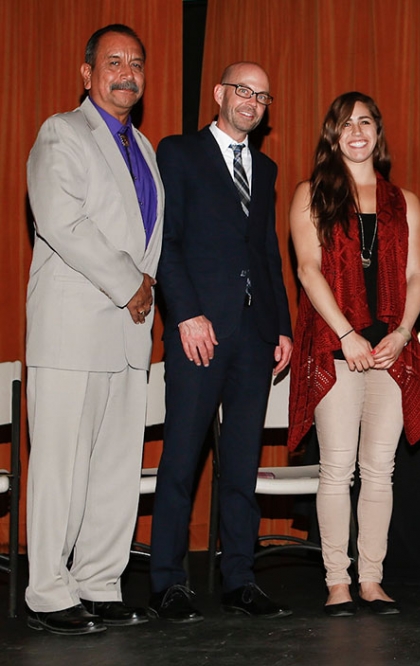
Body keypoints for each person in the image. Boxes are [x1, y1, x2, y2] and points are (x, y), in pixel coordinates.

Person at [24, 24, 163, 635]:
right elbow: (63, 221)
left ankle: (100, 581)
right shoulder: (62, 133)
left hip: (130, 335)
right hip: (73, 329)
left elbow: (148, 239)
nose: (126, 72)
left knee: (114, 466)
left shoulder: (148, 149)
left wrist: (145, 291)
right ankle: (49, 591)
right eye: (113, 61)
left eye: (135, 61)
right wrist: (130, 283)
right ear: (87, 73)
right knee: (62, 465)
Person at [149, 62, 292, 622]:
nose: (252, 102)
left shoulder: (266, 167)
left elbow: (266, 254)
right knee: (182, 459)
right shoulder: (179, 153)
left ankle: (239, 579)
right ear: (219, 94)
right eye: (243, 91)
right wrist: (186, 315)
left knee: (241, 465)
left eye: (262, 95)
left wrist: (280, 325)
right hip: (198, 334)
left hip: (254, 338)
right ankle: (167, 582)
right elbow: (166, 242)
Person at [288, 92, 420, 617]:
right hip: (335, 348)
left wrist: (404, 332)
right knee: (336, 469)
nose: (356, 131)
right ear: (333, 134)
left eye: (365, 122)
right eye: (345, 124)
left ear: (378, 133)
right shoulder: (311, 194)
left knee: (379, 470)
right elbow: (308, 269)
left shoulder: (404, 201)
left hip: (392, 350)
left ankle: (371, 580)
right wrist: (348, 334)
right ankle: (336, 583)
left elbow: (418, 274)